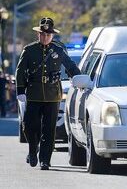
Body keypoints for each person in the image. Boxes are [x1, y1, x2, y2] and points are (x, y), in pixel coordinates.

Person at [15, 17, 81, 170]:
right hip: (33, 93)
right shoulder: (29, 50)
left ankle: (45, 160)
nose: (45, 37)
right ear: (38, 34)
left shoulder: (58, 49)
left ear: (52, 35)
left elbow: (70, 66)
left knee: (49, 129)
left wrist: (79, 77)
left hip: (52, 95)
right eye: (42, 34)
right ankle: (33, 150)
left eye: (48, 35)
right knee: (30, 126)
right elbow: (20, 71)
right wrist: (20, 90)